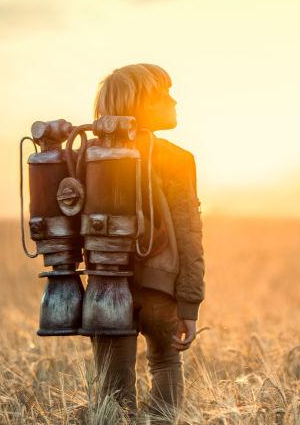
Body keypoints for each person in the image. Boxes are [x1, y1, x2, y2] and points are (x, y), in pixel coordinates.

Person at [90, 63, 205, 423]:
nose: (174, 100)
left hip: (105, 287)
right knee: (167, 362)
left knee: (113, 391)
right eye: (165, 94)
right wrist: (190, 301)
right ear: (141, 104)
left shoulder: (88, 155)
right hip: (161, 288)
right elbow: (189, 233)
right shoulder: (177, 159)